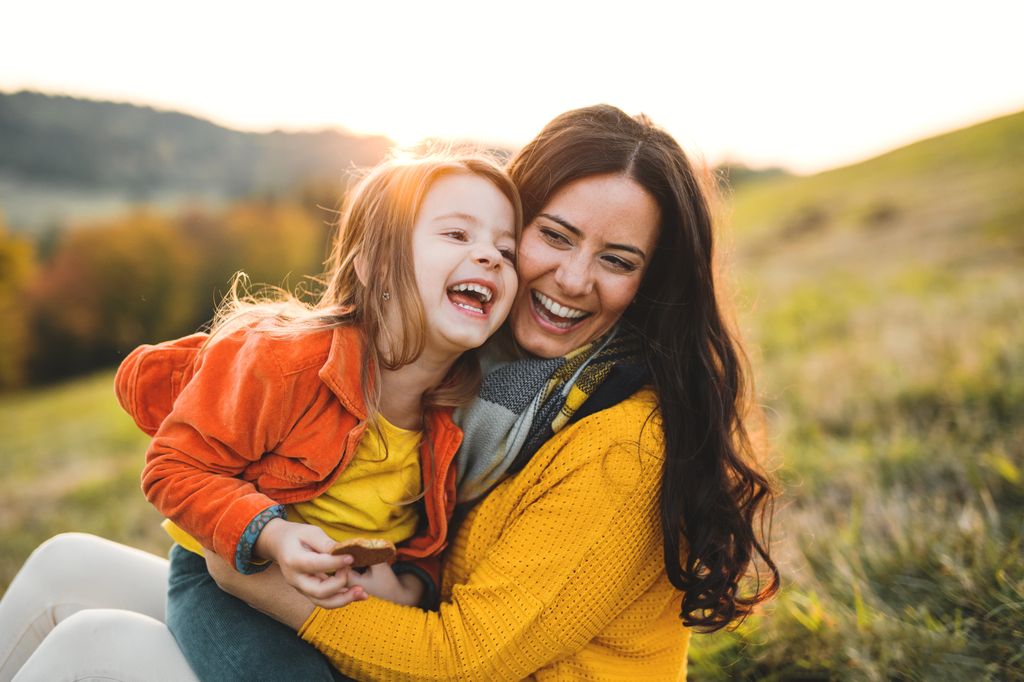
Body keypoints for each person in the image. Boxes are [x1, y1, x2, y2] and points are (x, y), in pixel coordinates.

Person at [0, 104, 779, 681]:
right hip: (367, 623)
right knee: (66, 563)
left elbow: (466, 656)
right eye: (554, 235)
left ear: (652, 282)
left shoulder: (619, 440)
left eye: (617, 259)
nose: (573, 280)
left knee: (92, 649)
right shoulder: (485, 378)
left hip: (440, 666)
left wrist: (255, 569)